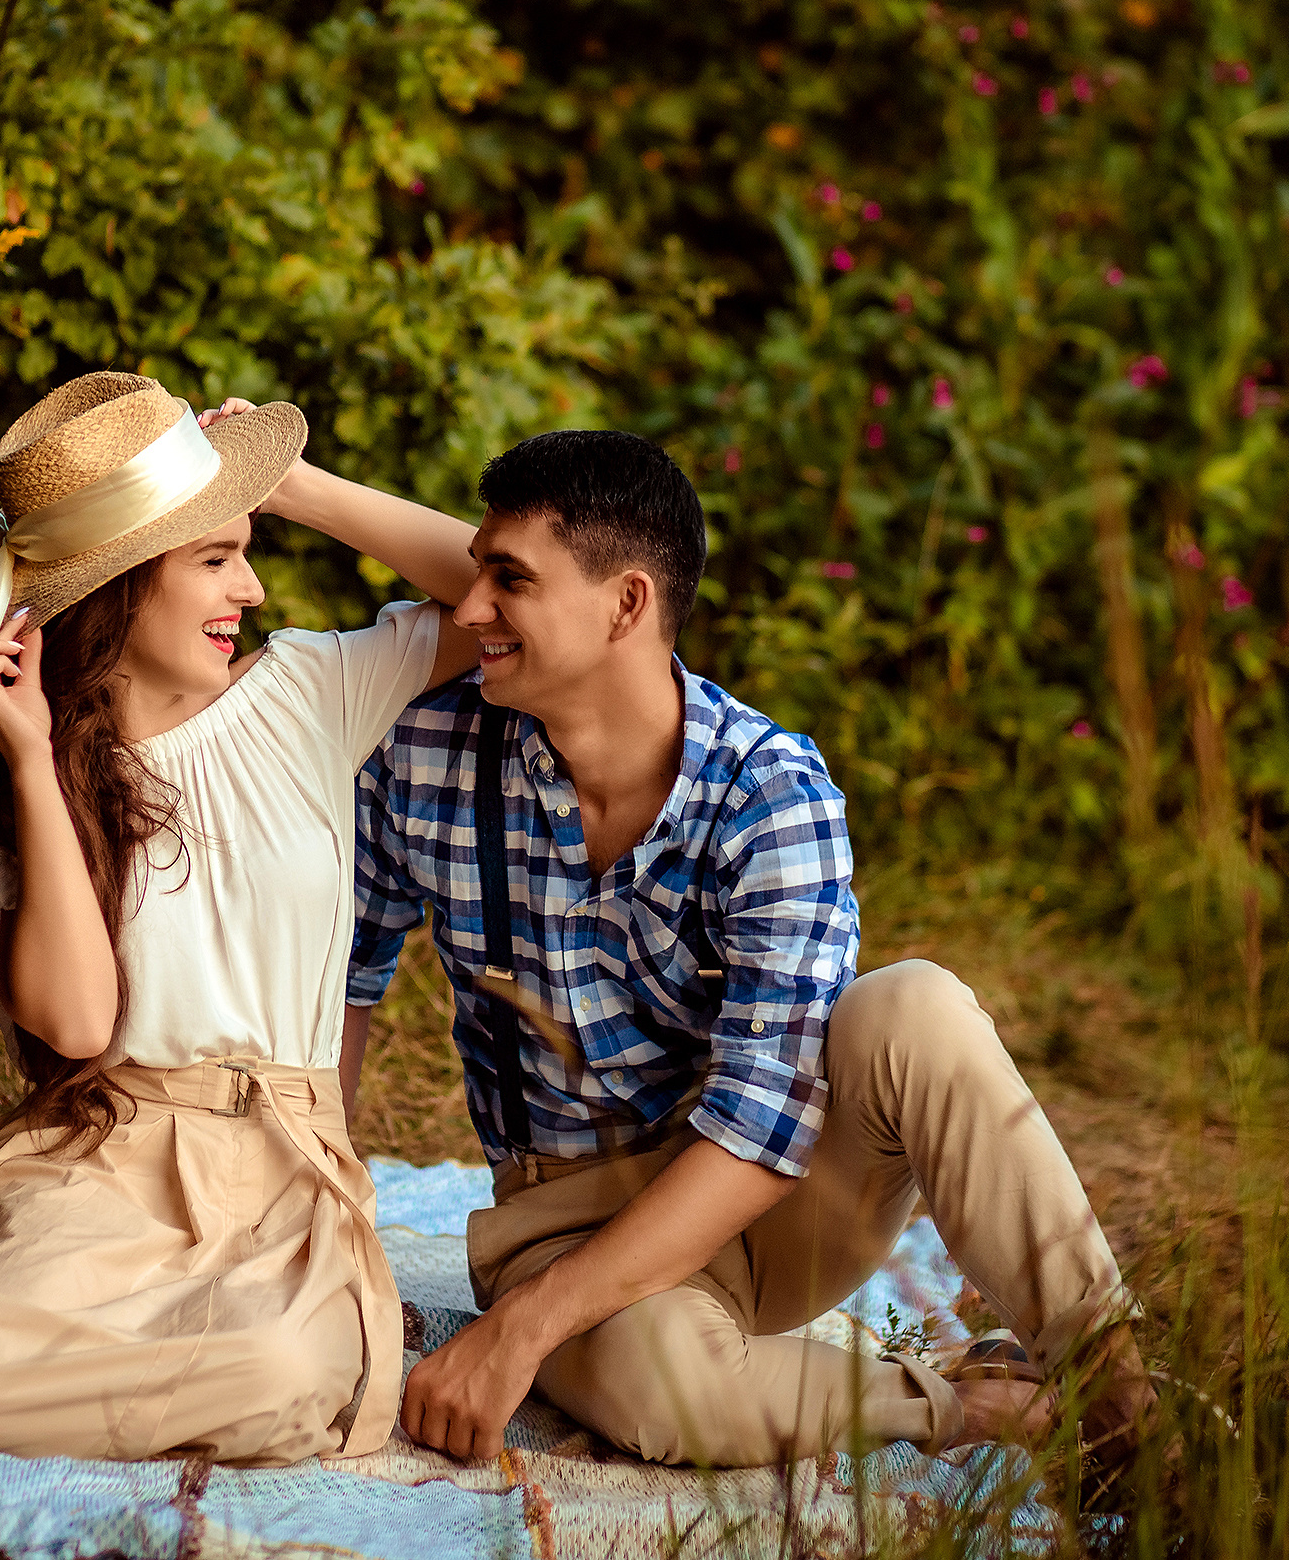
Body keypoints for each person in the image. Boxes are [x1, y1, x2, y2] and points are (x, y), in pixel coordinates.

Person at [349, 429, 1157, 1468]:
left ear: (627, 603)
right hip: (554, 1210)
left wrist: (517, 1330)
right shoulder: (422, 751)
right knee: (667, 1394)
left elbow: (758, 1131)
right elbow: (348, 986)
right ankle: (990, 1405)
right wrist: (337, 1220)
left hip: (762, 1197)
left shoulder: (767, 791)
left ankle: (1133, 1404)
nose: (463, 610)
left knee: (916, 1005)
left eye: (506, 579)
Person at [0, 372, 483, 1464]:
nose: (254, 590)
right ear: (118, 590)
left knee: (293, 1372)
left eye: (246, 549)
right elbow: (76, 1027)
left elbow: (508, 588)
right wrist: (32, 763)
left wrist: (297, 486)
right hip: (101, 1153)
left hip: (280, 1168)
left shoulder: (309, 693)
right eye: (215, 558)